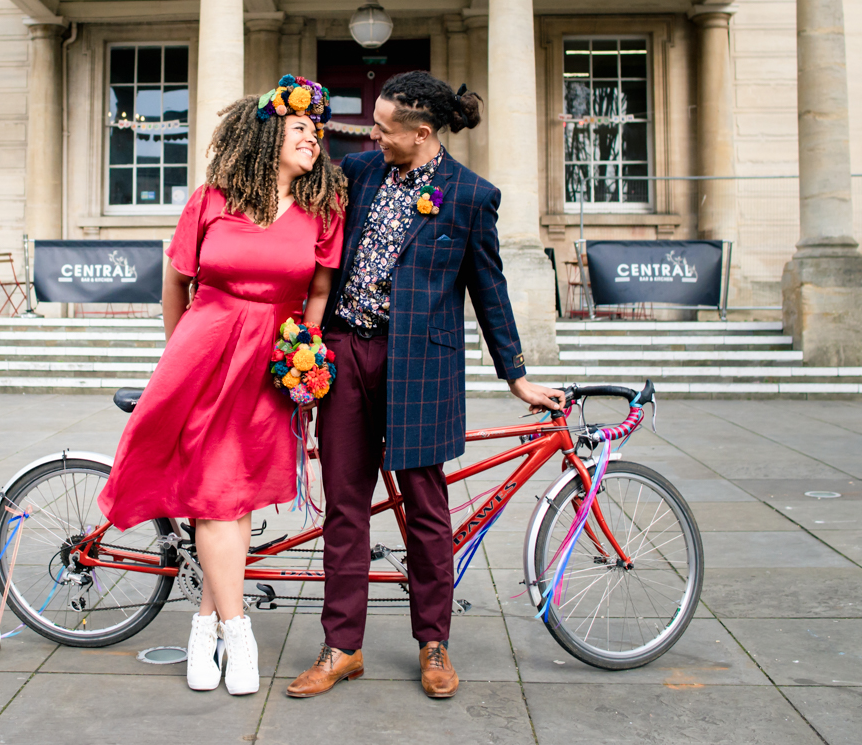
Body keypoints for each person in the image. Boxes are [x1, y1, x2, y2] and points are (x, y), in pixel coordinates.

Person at [286, 71, 564, 701]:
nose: (373, 135)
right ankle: (342, 647)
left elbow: (489, 288)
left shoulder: (470, 196)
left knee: (427, 511)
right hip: (345, 355)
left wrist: (515, 373)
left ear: (422, 132)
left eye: (384, 128)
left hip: (420, 368)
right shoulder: (357, 173)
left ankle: (433, 643)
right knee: (345, 506)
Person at [98, 77, 346, 696]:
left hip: (271, 359)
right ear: (267, 137)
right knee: (213, 491)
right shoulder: (212, 199)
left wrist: (306, 351)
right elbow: (175, 281)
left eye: (315, 132)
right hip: (205, 350)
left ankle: (203, 624)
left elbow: (318, 291)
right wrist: (181, 354)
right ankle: (239, 632)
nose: (312, 138)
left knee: (233, 495)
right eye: (299, 130)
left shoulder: (322, 211)